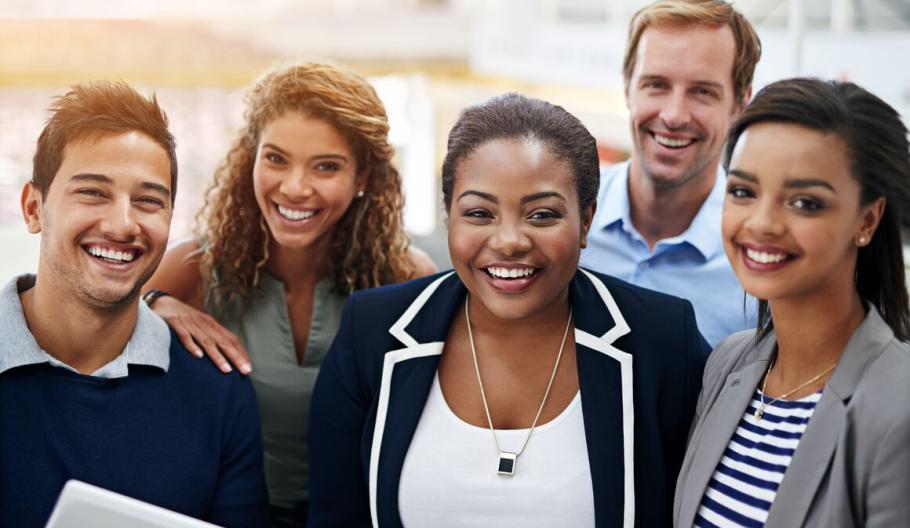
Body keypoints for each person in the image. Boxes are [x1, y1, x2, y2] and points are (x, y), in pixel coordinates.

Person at [308, 93, 711, 527]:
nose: (510, 241)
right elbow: (335, 515)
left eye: (541, 215)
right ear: (450, 216)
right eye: (480, 213)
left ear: (586, 221)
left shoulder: (663, 339)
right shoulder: (373, 331)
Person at [143, 62, 436, 526]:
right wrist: (155, 304)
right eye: (276, 158)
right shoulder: (190, 270)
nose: (295, 187)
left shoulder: (406, 278)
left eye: (326, 166)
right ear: (250, 158)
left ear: (362, 179)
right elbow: (100, 331)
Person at [0, 82, 268, 527]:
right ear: (33, 208)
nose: (123, 225)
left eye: (148, 201)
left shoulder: (218, 393)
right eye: (93, 192)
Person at [674, 78, 910, 527]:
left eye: (804, 202)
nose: (762, 224)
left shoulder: (898, 403)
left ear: (867, 218)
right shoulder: (728, 364)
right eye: (743, 191)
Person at [580, 0, 762, 346]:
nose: (674, 115)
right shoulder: (562, 219)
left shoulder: (760, 262)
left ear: (740, 105)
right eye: (657, 85)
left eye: (702, 92)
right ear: (627, 88)